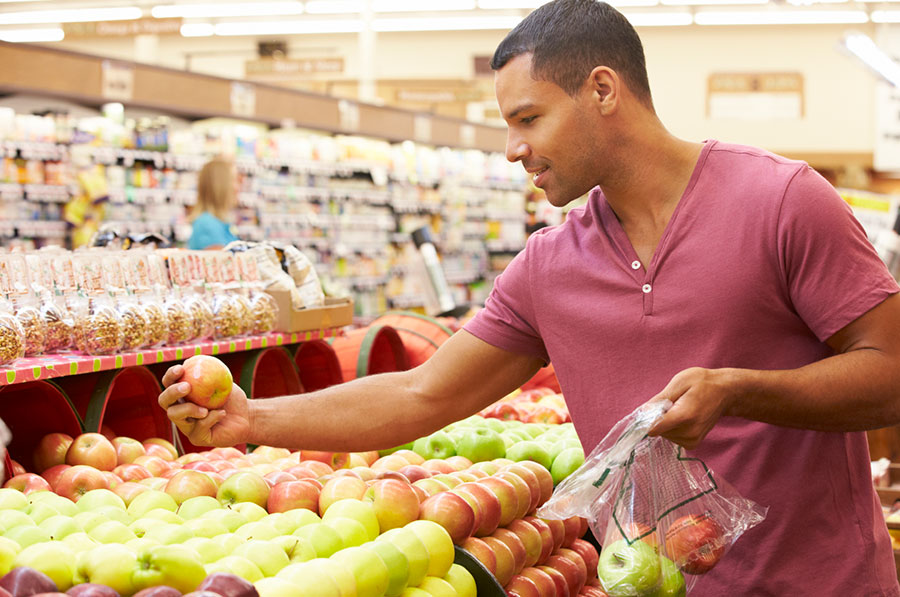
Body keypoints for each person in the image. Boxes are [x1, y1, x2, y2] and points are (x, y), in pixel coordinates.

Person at [159, 1, 900, 593]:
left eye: (528, 118)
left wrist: (739, 391)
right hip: (647, 584)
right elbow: (422, 393)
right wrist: (251, 418)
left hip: (825, 581)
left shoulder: (781, 201)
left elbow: (891, 373)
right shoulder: (552, 265)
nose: (513, 148)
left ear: (603, 90)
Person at [187, 156, 239, 250]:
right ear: (220, 186)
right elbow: (220, 262)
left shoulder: (217, 221)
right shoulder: (208, 224)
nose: (237, 187)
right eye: (233, 180)